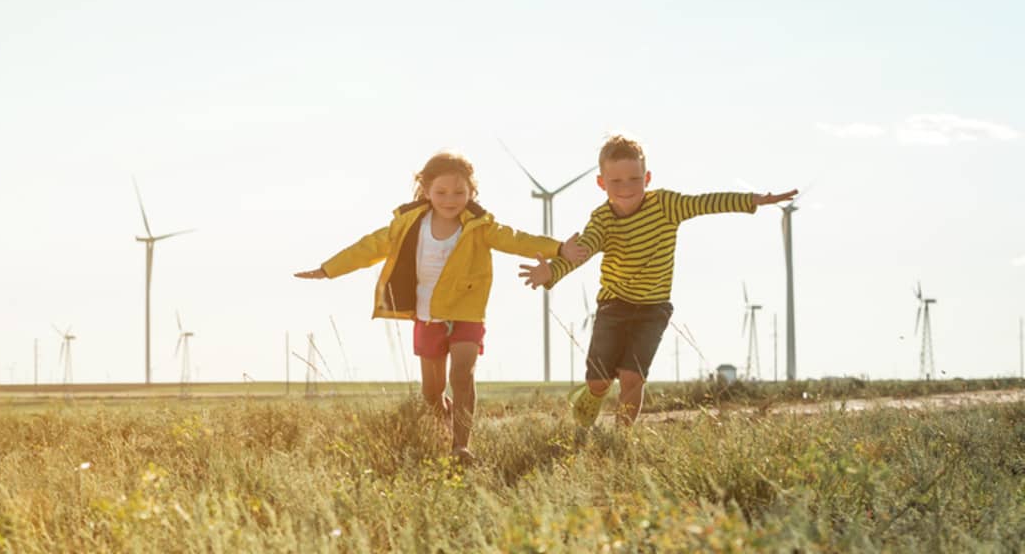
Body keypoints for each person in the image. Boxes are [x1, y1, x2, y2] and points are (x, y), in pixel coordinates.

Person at [296, 150, 587, 463]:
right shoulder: (407, 224)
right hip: (428, 316)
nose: (451, 199)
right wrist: (328, 269)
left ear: (472, 192)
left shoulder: (480, 227)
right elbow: (367, 247)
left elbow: (517, 239)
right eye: (442, 192)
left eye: (460, 192)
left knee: (462, 375)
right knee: (431, 394)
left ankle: (461, 445)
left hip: (467, 313)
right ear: (427, 192)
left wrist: (558, 248)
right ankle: (445, 421)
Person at [520, 133, 796, 427]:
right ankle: (593, 394)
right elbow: (582, 250)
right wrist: (551, 271)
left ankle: (622, 436)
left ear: (647, 177)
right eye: (616, 181)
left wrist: (753, 200)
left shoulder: (666, 205)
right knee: (599, 380)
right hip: (613, 305)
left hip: (653, 309)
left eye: (634, 179)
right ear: (601, 183)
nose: (626, 188)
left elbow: (707, 203)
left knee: (632, 377)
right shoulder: (602, 219)